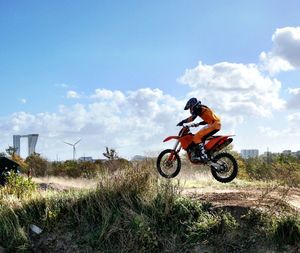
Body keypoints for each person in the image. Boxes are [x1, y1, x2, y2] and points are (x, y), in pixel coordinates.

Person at [177, 98, 221, 162]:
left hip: (213, 125)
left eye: (190, 107)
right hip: (215, 124)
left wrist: (183, 121)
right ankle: (203, 153)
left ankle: (203, 155)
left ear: (192, 104)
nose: (190, 109)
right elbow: (208, 119)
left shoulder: (198, 107)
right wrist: (198, 123)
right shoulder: (202, 108)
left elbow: (192, 118)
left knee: (196, 137)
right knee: (201, 137)